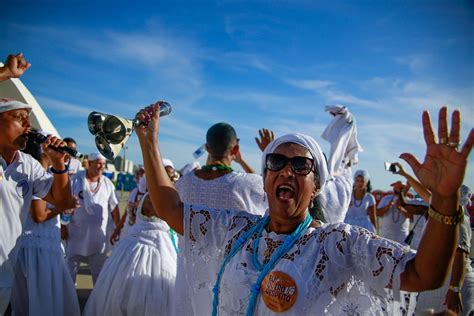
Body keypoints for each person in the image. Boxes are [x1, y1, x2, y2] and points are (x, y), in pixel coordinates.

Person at [137, 103, 473, 314]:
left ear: (316, 188)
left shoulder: (338, 244)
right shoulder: (235, 229)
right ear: (265, 176)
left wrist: (444, 199)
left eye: (301, 166)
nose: (287, 170)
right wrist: (149, 141)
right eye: (277, 162)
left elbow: (423, 274)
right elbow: (170, 207)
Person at [172, 123, 267, 315]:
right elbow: (269, 189)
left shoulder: (183, 183)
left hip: (187, 277)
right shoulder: (247, 185)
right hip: (230, 280)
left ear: (206, 148)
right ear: (236, 149)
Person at [0, 99, 74, 314]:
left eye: (28, 119)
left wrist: (59, 164)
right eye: (18, 118)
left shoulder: (27, 164)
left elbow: (61, 201)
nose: (27, 126)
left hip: (6, 270)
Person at [84, 160, 179, 316]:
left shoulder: (163, 197)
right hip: (146, 248)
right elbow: (169, 214)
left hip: (161, 245)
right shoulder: (152, 198)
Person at [10, 138, 80, 316]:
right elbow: (39, 215)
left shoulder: (45, 173)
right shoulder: (35, 173)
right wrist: (62, 207)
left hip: (46, 246)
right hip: (36, 251)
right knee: (39, 304)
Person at [414, 184, 473, 315]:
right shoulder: (444, 213)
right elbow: (426, 195)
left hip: (452, 283)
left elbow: (460, 254)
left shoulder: (458, 219)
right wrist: (404, 174)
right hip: (440, 281)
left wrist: (454, 289)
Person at [65, 152, 119, 284]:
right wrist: (62, 226)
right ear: (89, 163)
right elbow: (65, 204)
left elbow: (114, 208)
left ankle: (96, 302)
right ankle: (69, 300)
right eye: (98, 163)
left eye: (104, 164)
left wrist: (118, 229)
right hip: (75, 235)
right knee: (69, 271)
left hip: (98, 238)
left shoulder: (107, 184)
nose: (101, 166)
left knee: (99, 274)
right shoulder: (75, 180)